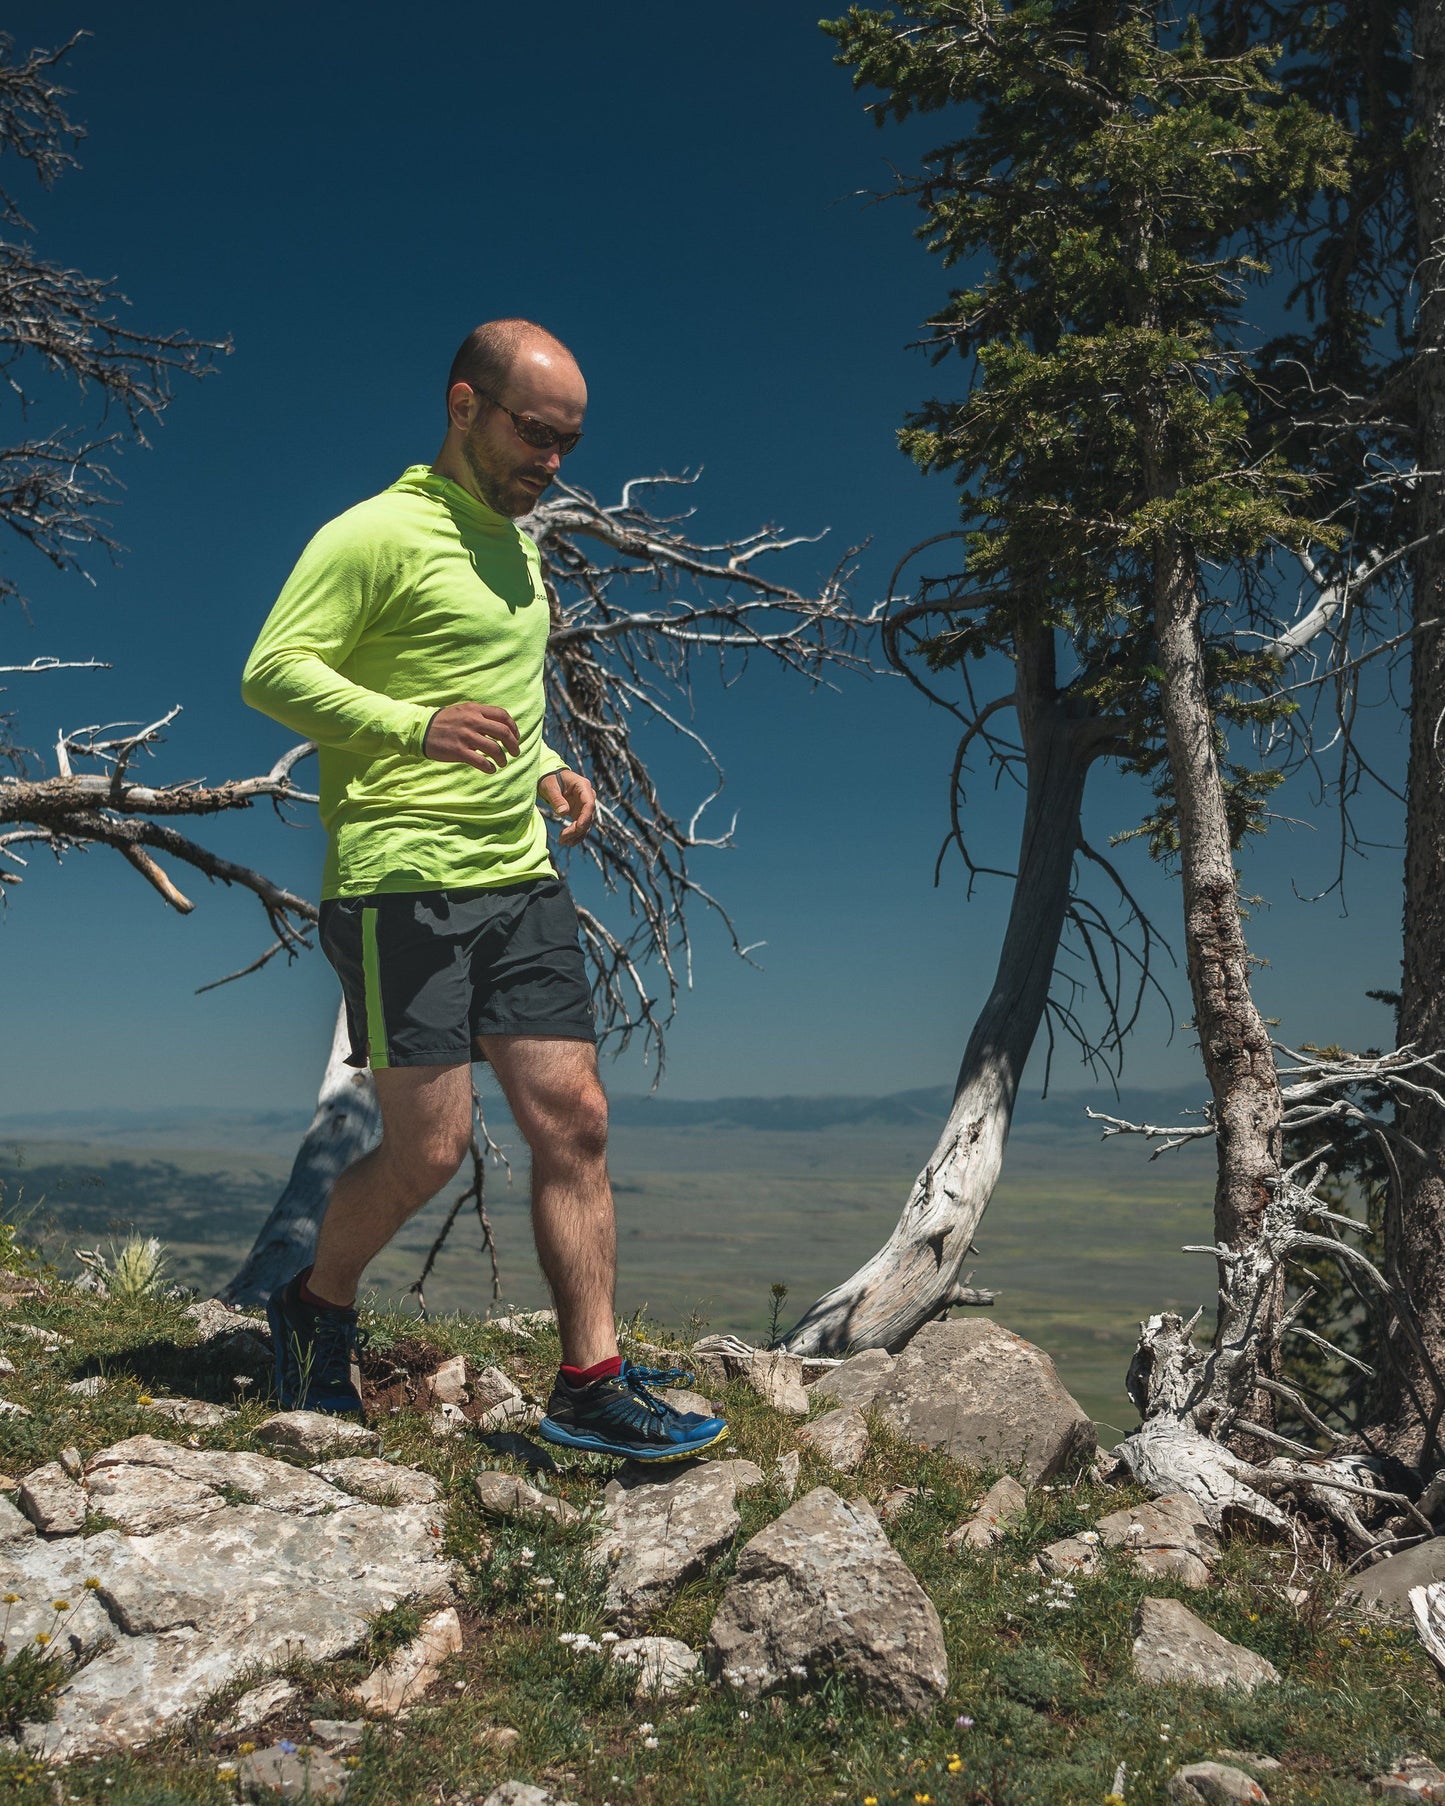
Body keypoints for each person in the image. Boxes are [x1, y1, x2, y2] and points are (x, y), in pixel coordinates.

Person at [240, 318, 727, 1463]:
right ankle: (313, 1307)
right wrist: (409, 728)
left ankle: (590, 1383)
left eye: (567, 442)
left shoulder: (520, 547)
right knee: (428, 1153)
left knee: (576, 1121)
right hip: (399, 884)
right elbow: (273, 670)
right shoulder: (374, 533)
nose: (551, 461)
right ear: (464, 406)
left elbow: (503, 690)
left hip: (517, 874)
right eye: (534, 433)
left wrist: (548, 760)